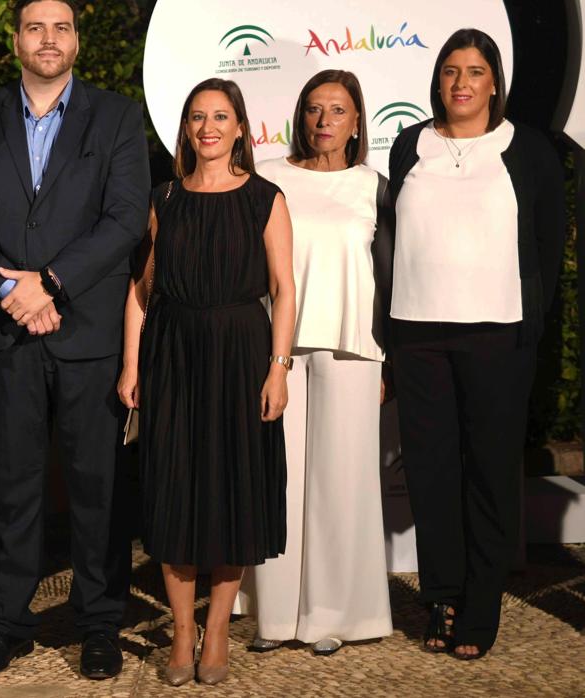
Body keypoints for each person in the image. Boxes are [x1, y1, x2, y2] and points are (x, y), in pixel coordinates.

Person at [0, 0, 151, 681]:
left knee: (96, 488)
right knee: (9, 486)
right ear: (15, 41)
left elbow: (125, 219)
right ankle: (8, 621)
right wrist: (12, 291)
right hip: (3, 330)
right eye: (34, 27)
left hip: (85, 332)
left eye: (60, 27)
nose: (47, 38)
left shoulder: (118, 117)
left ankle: (98, 623)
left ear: (76, 40)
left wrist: (51, 284)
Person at [387, 28, 564, 661]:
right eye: (451, 71)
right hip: (418, 335)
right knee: (432, 474)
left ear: (495, 82)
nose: (461, 82)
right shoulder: (410, 146)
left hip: (498, 335)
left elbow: (547, 243)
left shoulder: (530, 151)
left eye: (475, 71)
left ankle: (480, 606)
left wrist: (528, 324)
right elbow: (391, 238)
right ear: (438, 81)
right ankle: (441, 595)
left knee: (489, 474)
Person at [118, 78, 294, 685]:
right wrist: (132, 364)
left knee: (233, 491)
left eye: (221, 116)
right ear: (186, 129)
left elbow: (284, 289)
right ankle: (182, 629)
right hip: (174, 356)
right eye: (198, 117)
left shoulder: (265, 198)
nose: (209, 127)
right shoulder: (163, 199)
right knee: (174, 490)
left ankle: (217, 627)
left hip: (243, 355)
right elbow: (141, 290)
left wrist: (278, 367)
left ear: (241, 128)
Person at [237, 70, 394, 657]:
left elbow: (389, 275)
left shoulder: (373, 186)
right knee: (276, 477)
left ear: (357, 121)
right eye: (314, 109)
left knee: (341, 483)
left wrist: (387, 361)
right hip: (274, 349)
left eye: (338, 110)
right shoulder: (268, 179)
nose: (324, 120)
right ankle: (273, 617)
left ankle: (333, 615)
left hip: (353, 347)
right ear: (301, 118)